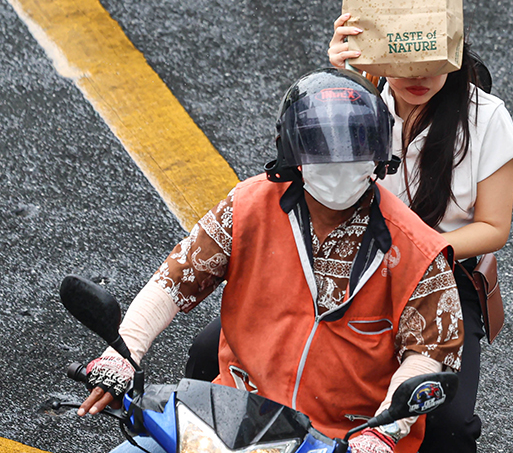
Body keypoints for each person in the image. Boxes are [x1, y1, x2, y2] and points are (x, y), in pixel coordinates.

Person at [77, 68, 465, 453]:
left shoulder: (418, 252)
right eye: (322, 150)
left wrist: (382, 433)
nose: (338, 164)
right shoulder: (245, 208)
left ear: (379, 156)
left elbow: (428, 356)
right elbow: (172, 282)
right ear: (291, 151)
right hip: (231, 424)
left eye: (354, 152)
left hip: (341, 443)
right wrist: (123, 353)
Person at [327, 14, 513, 453]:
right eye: (402, 61)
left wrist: (413, 250)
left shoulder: (486, 117)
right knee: (215, 347)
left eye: (429, 60)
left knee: (449, 425)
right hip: (355, 264)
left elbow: (494, 228)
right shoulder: (356, 101)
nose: (417, 76)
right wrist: (337, 85)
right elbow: (315, 192)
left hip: (445, 276)